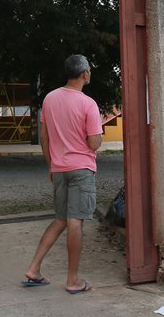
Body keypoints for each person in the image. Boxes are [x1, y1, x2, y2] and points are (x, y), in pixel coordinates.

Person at [22, 54, 103, 293]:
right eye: (89, 70)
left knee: (60, 220)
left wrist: (52, 165)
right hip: (81, 170)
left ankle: (33, 269)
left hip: (58, 169)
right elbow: (94, 143)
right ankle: (72, 280)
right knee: (75, 222)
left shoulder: (50, 98)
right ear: (84, 74)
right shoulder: (88, 104)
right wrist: (97, 136)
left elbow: (44, 137)